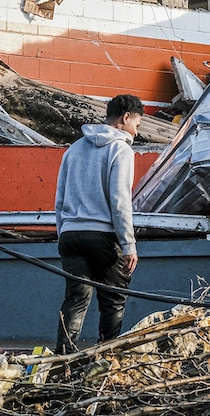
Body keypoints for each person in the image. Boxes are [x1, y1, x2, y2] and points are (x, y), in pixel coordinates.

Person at [55, 94, 144, 353]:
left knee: (76, 298)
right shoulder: (121, 150)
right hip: (103, 236)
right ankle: (106, 356)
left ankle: (63, 359)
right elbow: (120, 200)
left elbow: (59, 199)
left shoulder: (73, 149)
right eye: (137, 125)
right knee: (113, 299)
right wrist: (129, 245)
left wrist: (63, 233)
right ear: (126, 117)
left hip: (71, 235)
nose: (136, 133)